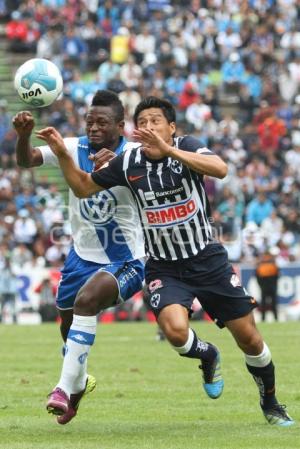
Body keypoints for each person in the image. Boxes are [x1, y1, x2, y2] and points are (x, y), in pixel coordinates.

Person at [36, 96, 294, 427]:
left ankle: (270, 401)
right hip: (165, 267)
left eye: (156, 121)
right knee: (174, 332)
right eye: (142, 122)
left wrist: (170, 150)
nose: (148, 127)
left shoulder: (187, 147)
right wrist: (61, 153)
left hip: (207, 260)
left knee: (250, 340)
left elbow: (221, 169)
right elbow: (84, 188)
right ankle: (207, 354)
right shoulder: (128, 161)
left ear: (171, 128)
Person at [12, 90, 145, 424]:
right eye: (90, 121)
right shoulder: (73, 147)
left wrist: (116, 168)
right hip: (80, 258)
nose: (94, 128)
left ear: (120, 125)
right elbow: (26, 160)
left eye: (102, 122)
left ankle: (61, 388)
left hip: (125, 259)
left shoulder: (135, 155)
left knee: (86, 302)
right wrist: (25, 136)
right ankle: (79, 382)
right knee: (69, 327)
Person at [256, 250, 279, 322]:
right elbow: (277, 276)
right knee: (274, 302)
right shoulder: (273, 264)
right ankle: (275, 318)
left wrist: (261, 285)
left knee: (263, 303)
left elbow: (257, 277)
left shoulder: (260, 265)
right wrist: (275, 285)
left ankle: (263, 318)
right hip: (272, 286)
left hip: (264, 286)